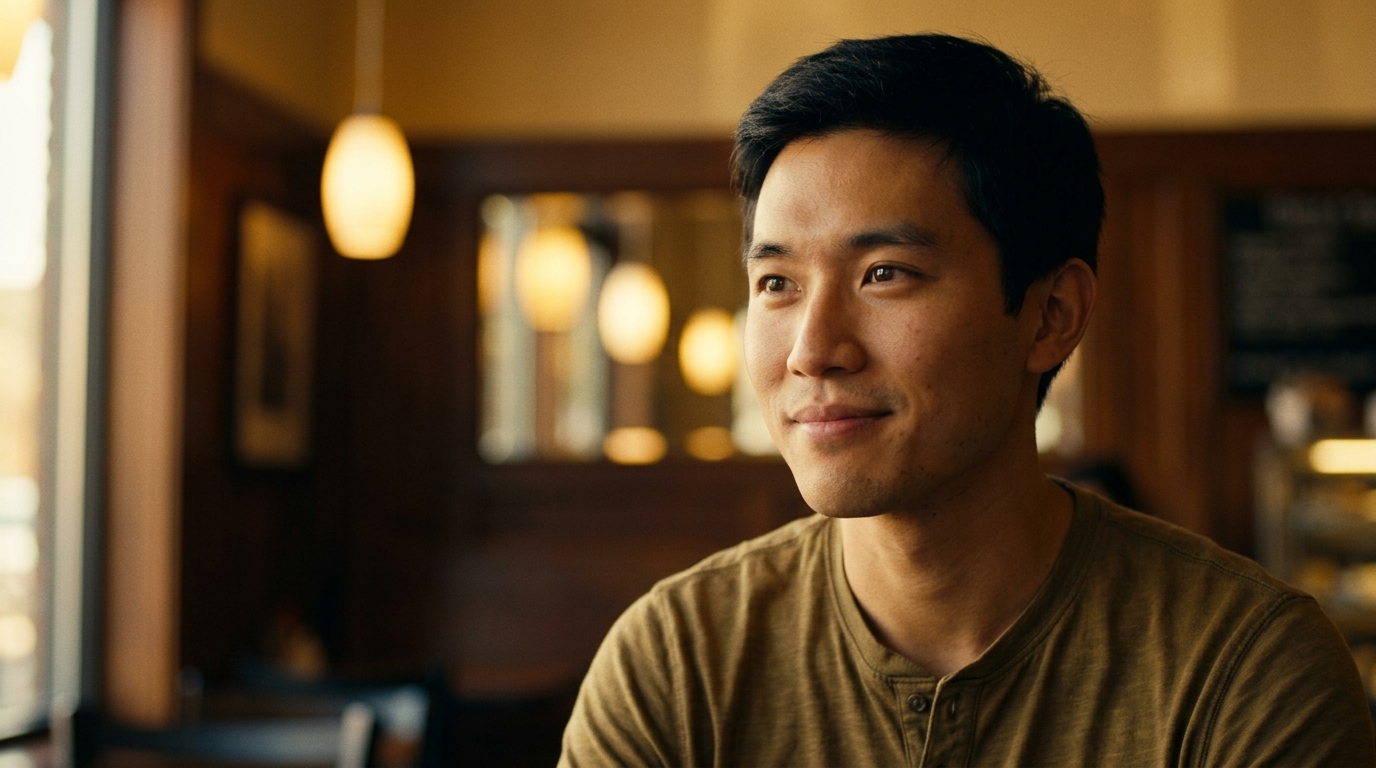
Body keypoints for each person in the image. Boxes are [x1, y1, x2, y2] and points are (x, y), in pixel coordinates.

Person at [560, 34, 1376, 766]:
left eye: (886, 274)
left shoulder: (1243, 671)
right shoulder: (679, 662)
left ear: (1051, 317)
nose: (811, 350)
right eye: (776, 283)